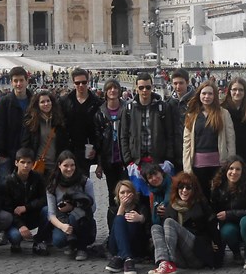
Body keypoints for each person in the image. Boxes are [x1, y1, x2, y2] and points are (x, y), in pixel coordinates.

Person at [149, 172, 222, 274]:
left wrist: (216, 253)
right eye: (181, 187)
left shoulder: (200, 204)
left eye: (188, 188)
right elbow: (165, 234)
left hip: (197, 253)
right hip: (179, 256)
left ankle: (168, 264)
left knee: (169, 222)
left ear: (194, 190)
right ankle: (164, 263)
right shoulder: (171, 205)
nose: (184, 190)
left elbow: (212, 226)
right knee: (156, 227)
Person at [182, 81, 235, 200]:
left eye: (210, 94)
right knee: (201, 195)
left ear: (215, 95)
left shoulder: (223, 113)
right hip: (197, 164)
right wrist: (187, 167)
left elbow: (230, 139)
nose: (207, 97)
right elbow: (187, 143)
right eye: (204, 93)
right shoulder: (192, 115)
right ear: (199, 95)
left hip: (218, 163)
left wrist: (231, 161)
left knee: (217, 195)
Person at [43, 150, 96, 261]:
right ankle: (70, 242)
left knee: (74, 216)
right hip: (62, 218)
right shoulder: (52, 185)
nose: (69, 169)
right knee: (59, 240)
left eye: (72, 165)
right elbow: (51, 213)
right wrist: (62, 226)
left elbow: (93, 207)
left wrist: (73, 208)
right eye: (65, 165)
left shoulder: (85, 182)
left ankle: (82, 247)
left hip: (82, 219)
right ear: (59, 166)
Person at [210, 155, 246, 270]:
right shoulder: (217, 187)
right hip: (229, 224)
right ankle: (236, 252)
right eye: (231, 168)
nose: (234, 172)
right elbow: (214, 211)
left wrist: (229, 214)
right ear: (226, 170)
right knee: (227, 231)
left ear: (242, 171)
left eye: (238, 169)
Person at [120, 72, 172, 170]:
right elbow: (124, 136)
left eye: (148, 87)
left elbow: (169, 134)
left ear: (152, 87)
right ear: (136, 88)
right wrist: (128, 161)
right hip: (136, 162)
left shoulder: (163, 107)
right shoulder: (128, 109)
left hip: (158, 161)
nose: (144, 90)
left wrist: (168, 159)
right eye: (141, 87)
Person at [1, 147, 48, 254]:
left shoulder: (38, 178)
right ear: (16, 163)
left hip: (32, 215)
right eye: (22, 162)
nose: (26, 166)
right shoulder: (7, 182)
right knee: (15, 237)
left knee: (47, 210)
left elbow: (44, 199)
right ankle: (15, 243)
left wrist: (27, 207)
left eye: (28, 163)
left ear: (33, 164)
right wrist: (20, 225)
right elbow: (7, 208)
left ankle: (39, 240)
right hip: (15, 220)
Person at [0, 66, 33, 186]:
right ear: (11, 82)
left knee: (27, 186)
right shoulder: (3, 102)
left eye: (21, 80)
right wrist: (1, 153)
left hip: (28, 152)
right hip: (7, 153)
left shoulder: (34, 101)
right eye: (15, 81)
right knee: (5, 187)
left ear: (27, 81)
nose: (18, 84)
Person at [94, 79, 128, 210]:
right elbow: (98, 141)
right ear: (106, 92)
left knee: (127, 192)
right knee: (112, 193)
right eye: (109, 88)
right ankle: (114, 223)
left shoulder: (127, 108)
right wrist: (99, 164)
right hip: (109, 159)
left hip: (125, 159)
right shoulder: (100, 113)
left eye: (115, 88)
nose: (112, 91)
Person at [21, 90, 69, 185]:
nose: (46, 104)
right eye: (42, 102)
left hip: (55, 166)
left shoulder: (59, 121)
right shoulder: (31, 122)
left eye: (48, 101)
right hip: (38, 166)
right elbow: (26, 144)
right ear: (37, 104)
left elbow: (64, 144)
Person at [104, 180, 151, 274]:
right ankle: (128, 258)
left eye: (129, 192)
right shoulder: (112, 210)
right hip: (115, 245)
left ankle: (122, 257)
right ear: (117, 195)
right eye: (122, 192)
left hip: (136, 244)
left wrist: (141, 218)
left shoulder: (141, 207)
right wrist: (122, 208)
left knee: (131, 219)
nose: (126, 195)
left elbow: (147, 224)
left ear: (133, 194)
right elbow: (113, 230)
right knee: (119, 219)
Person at [61, 68, 101, 175]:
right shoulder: (65, 101)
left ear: (88, 82)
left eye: (84, 82)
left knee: (83, 179)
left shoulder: (97, 102)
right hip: (69, 147)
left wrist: (96, 149)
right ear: (73, 83)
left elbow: (100, 128)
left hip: (87, 147)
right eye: (77, 83)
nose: (81, 85)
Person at [166, 68, 195, 172]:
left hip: (193, 151)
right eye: (175, 83)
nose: (178, 87)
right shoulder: (169, 103)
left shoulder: (195, 102)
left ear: (187, 82)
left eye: (181, 83)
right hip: (175, 153)